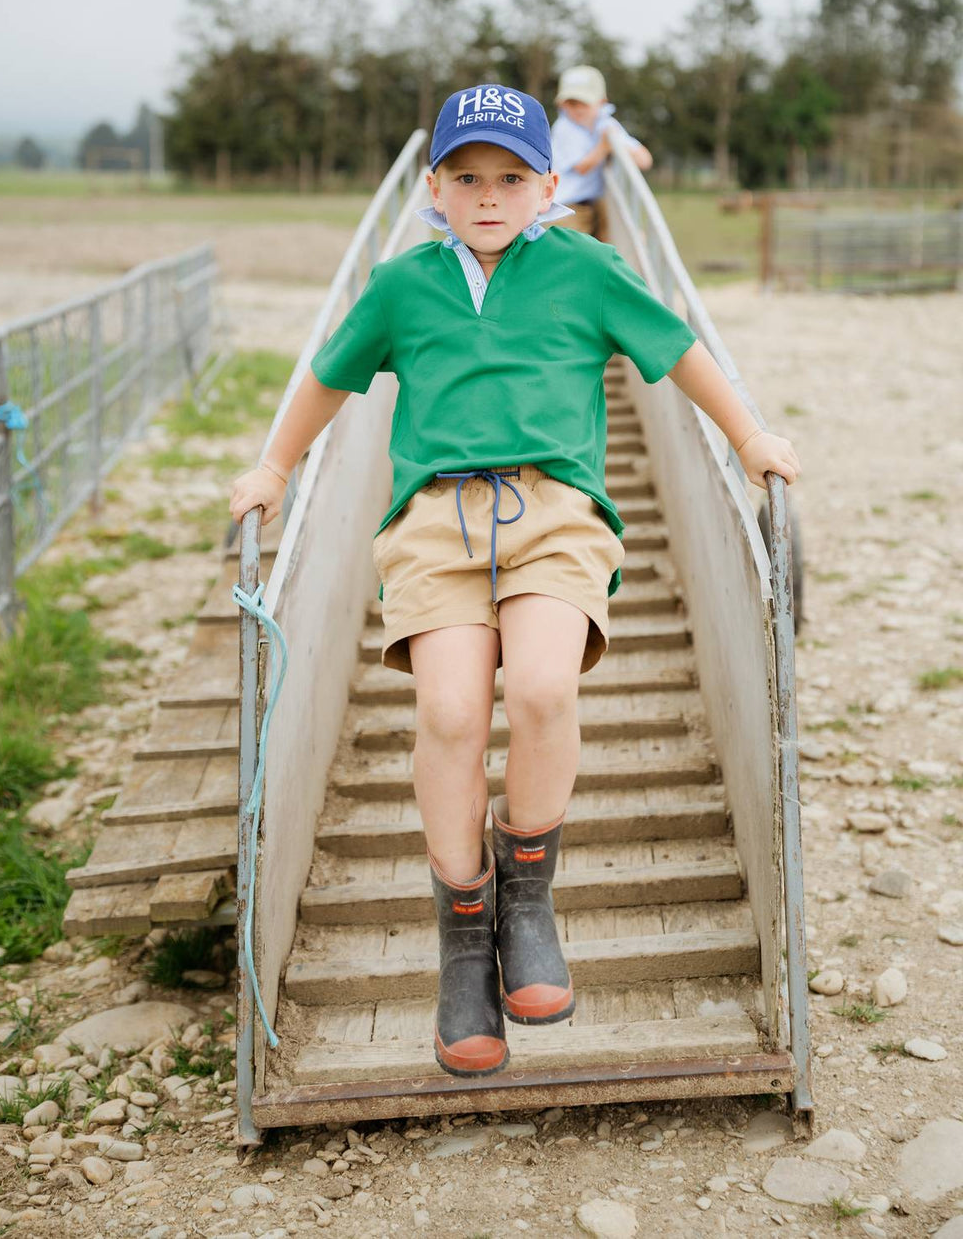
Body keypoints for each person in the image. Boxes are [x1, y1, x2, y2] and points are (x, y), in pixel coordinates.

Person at [229, 83, 800, 1079]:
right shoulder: (404, 285)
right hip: (433, 522)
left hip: (555, 511)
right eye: (465, 177)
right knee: (450, 712)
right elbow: (326, 377)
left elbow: (676, 353)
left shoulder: (585, 268)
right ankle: (463, 938)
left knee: (539, 687)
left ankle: (527, 903)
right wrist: (273, 469)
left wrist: (748, 436)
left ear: (548, 186)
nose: (486, 195)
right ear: (433, 189)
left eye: (508, 178)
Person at [552, 64, 652, 243]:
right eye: (571, 102)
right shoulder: (564, 128)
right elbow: (582, 167)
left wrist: (620, 147)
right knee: (569, 250)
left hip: (594, 203)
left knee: (607, 245)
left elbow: (644, 160)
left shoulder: (606, 124)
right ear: (561, 103)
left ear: (602, 102)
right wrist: (604, 147)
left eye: (584, 102)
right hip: (567, 206)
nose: (577, 108)